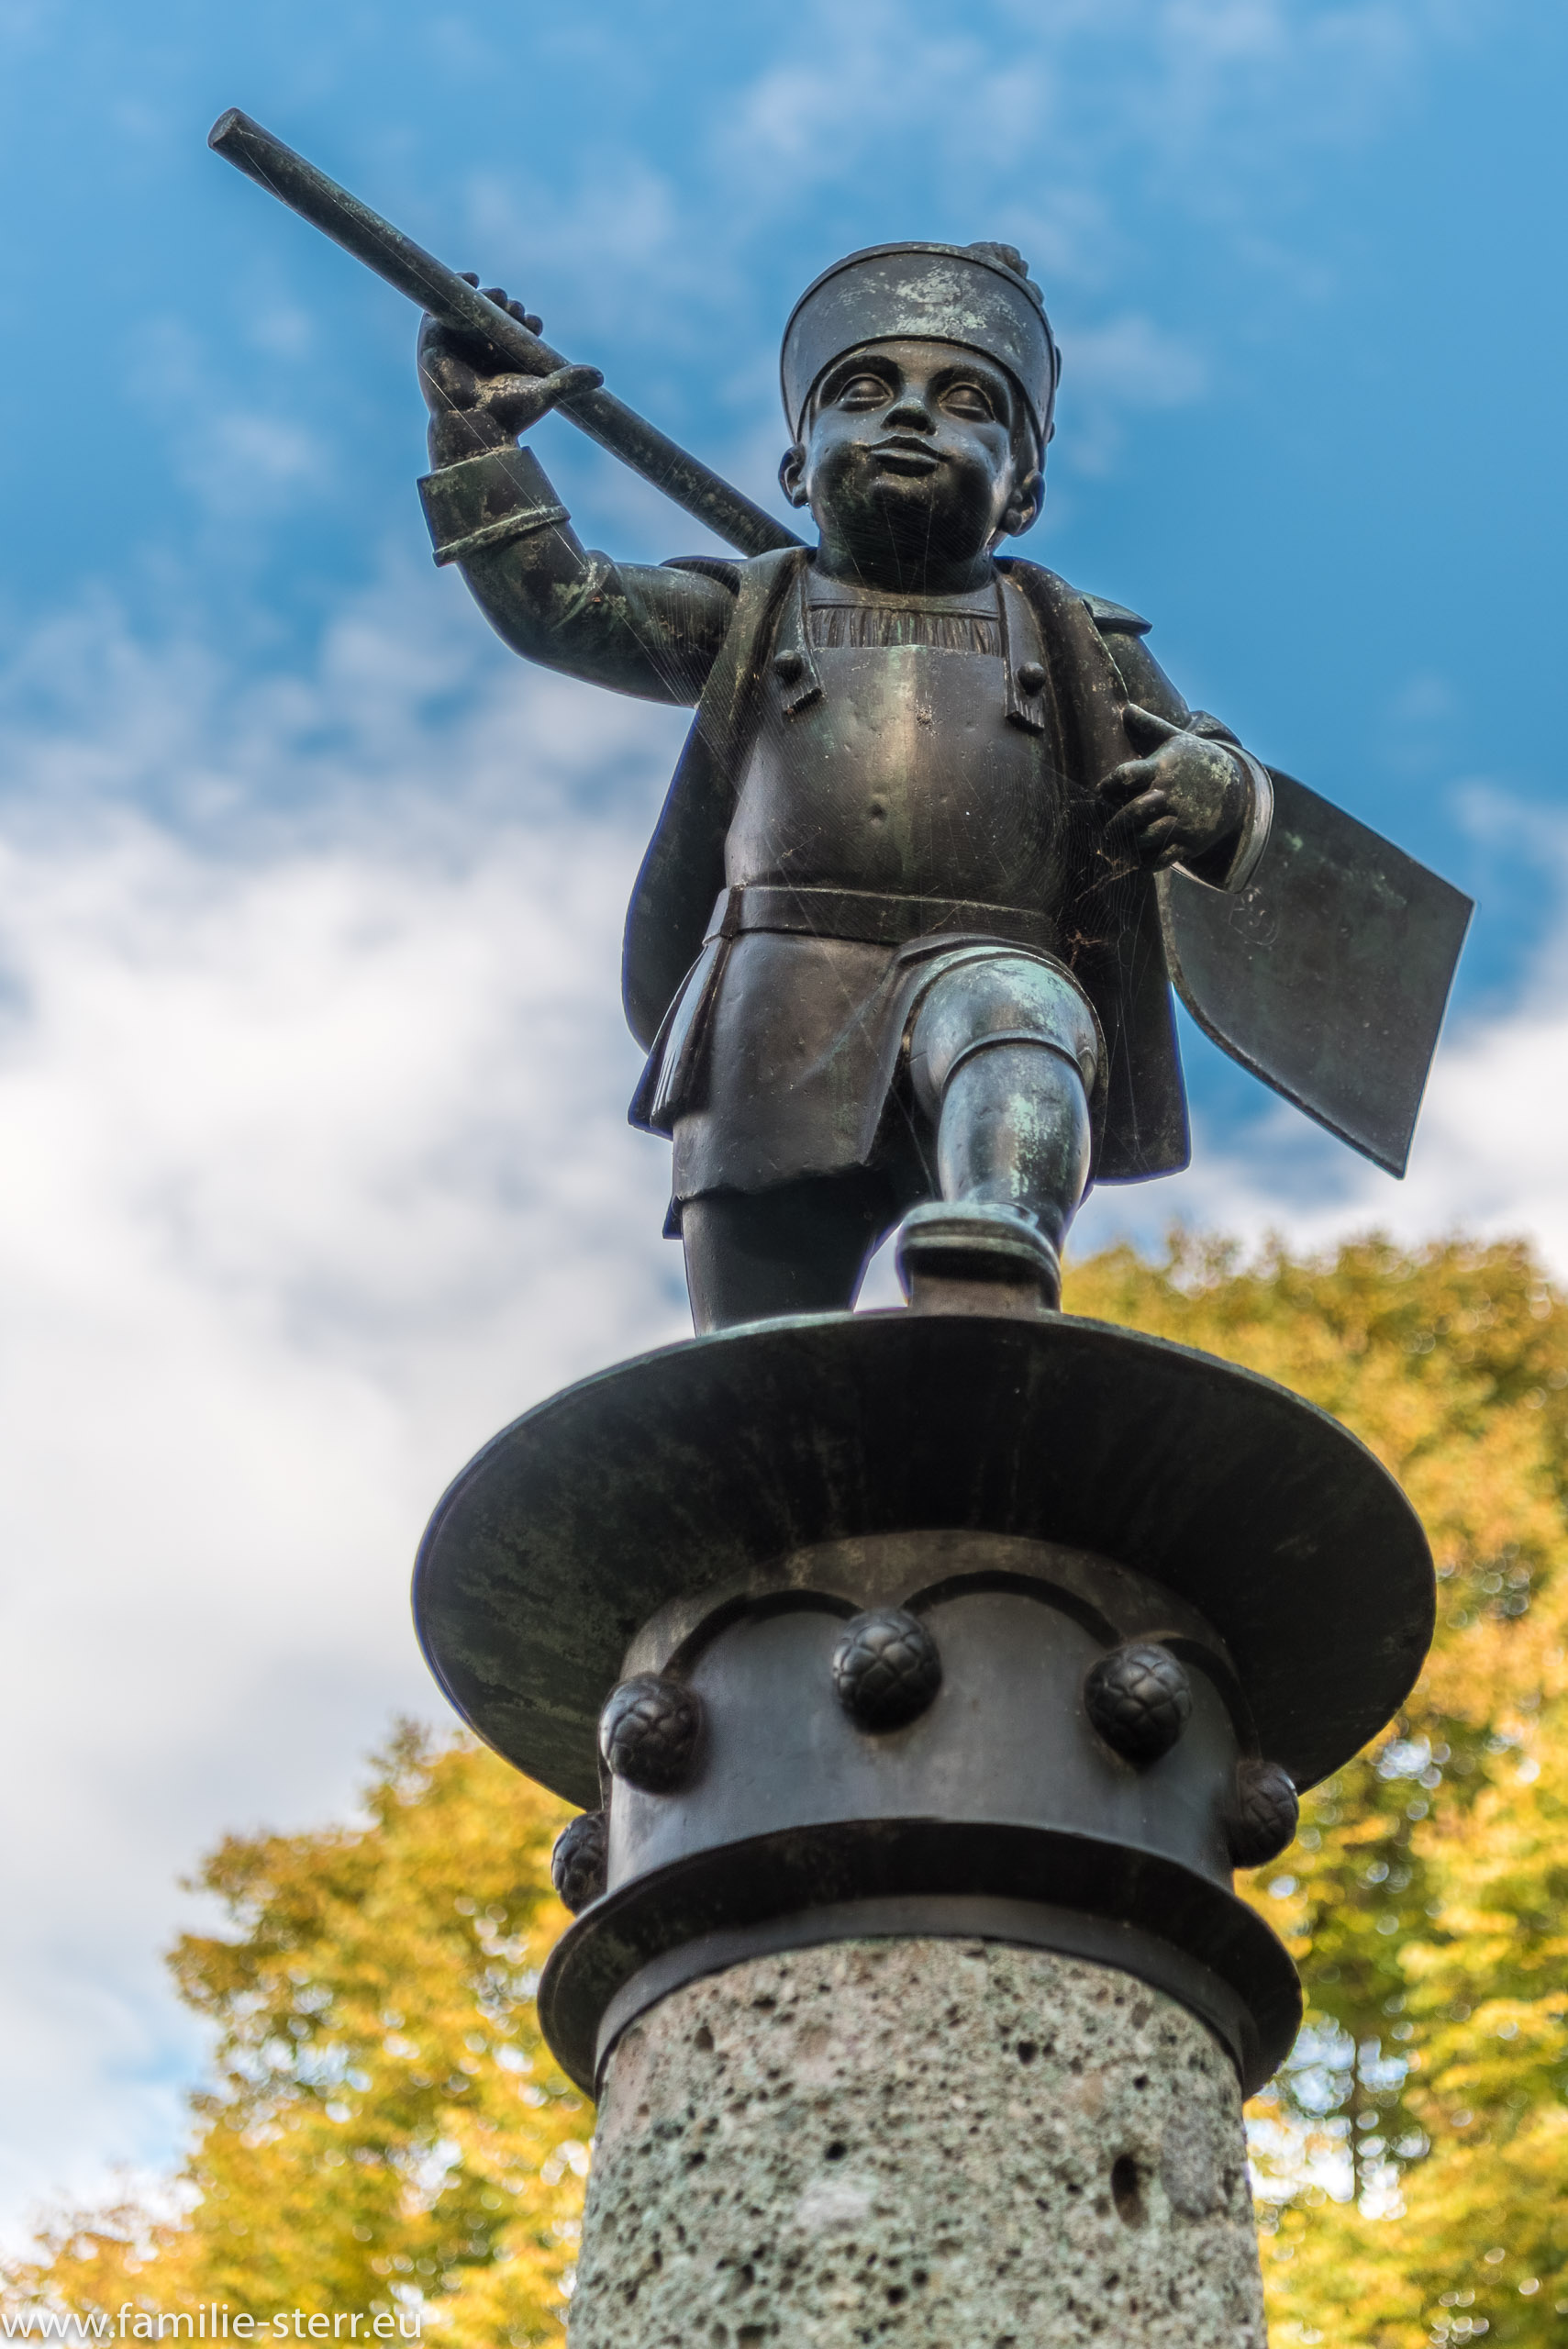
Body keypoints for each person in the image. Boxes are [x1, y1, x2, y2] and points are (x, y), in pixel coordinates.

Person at [415, 241, 1273, 1330]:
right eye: (862, 394)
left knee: (1019, 1022)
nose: (909, 416)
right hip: (772, 1000)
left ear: (1024, 495)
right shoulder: (749, 611)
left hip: (989, 950)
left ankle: (996, 1263)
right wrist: (474, 433)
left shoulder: (1074, 641)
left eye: (964, 402)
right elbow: (563, 608)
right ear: (794, 470)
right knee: (756, 1344)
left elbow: (1210, 762)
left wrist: (1215, 787)